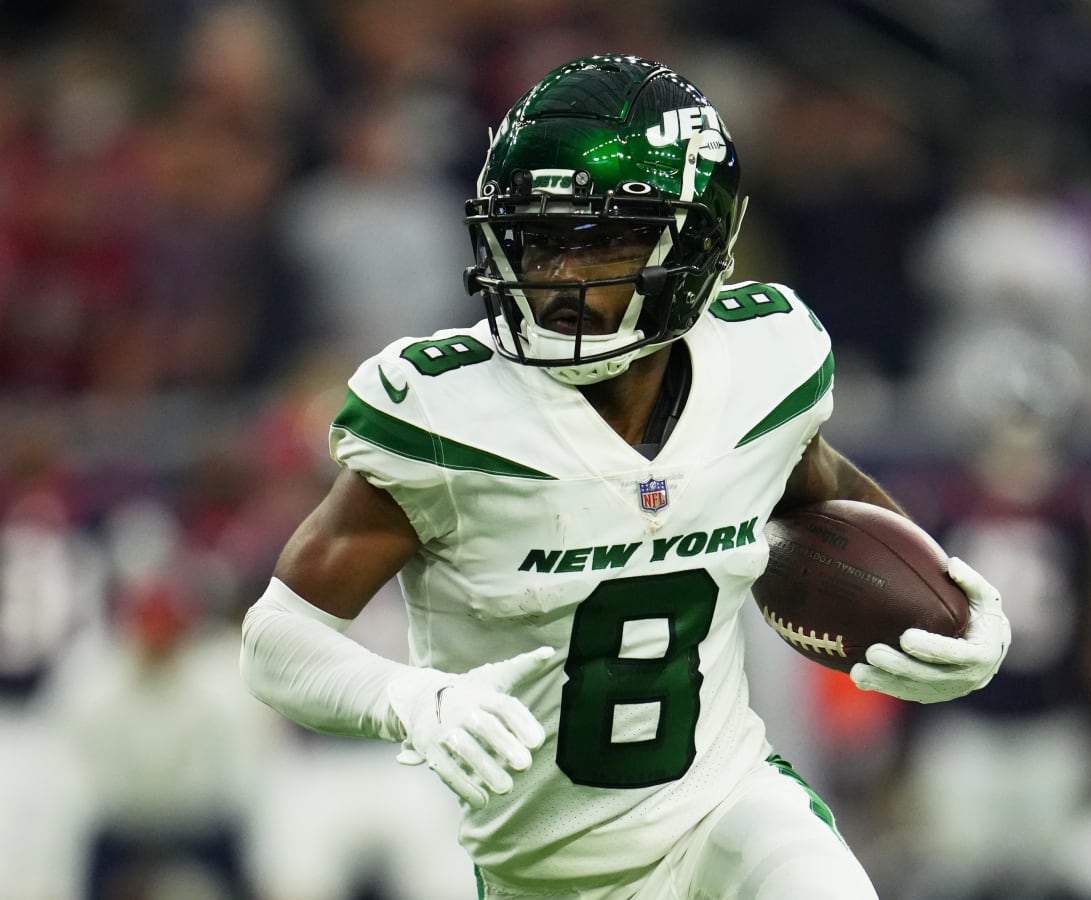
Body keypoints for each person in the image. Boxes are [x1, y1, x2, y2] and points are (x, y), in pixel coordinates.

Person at [240, 54, 1011, 900]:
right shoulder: (444, 414)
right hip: (546, 876)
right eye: (538, 238)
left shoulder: (766, 364)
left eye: (602, 238)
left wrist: (948, 597)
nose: (560, 278)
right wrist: (407, 698)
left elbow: (818, 487)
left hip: (725, 811)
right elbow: (277, 642)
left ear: (700, 240)